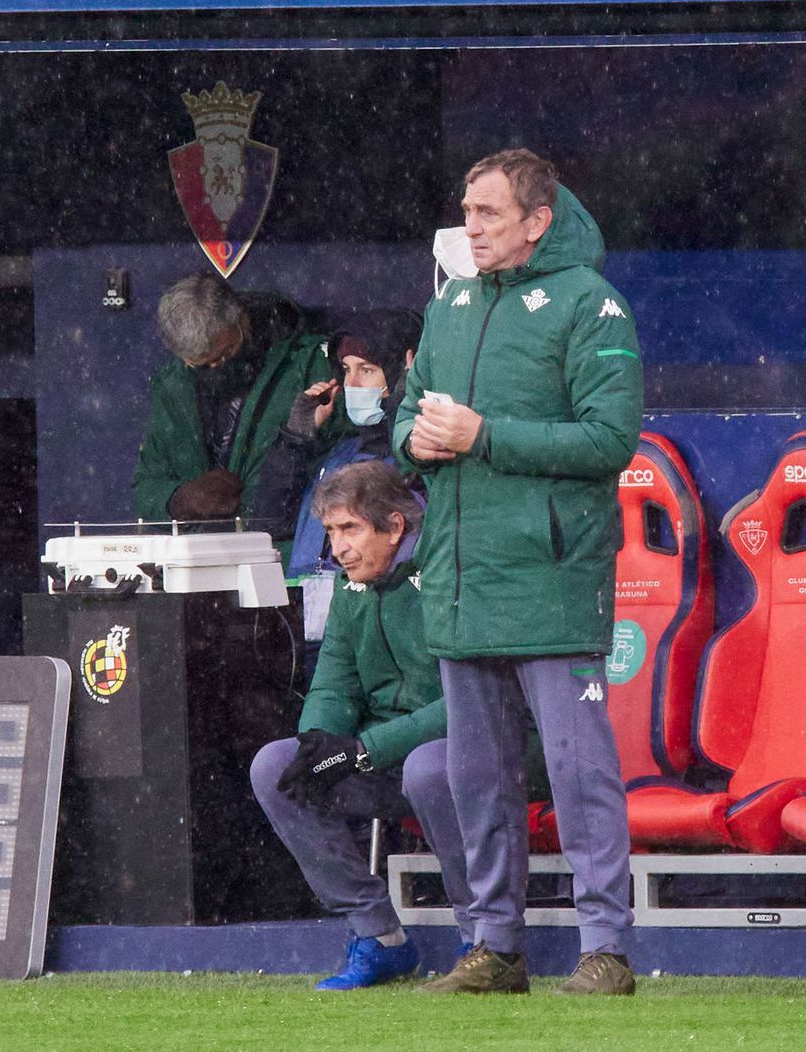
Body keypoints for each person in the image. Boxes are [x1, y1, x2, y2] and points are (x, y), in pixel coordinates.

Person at [392, 149, 643, 995]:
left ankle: (605, 947)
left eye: (490, 215)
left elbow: (610, 441)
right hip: (464, 586)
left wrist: (482, 435)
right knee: (476, 778)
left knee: (579, 774)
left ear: (537, 220)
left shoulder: (592, 305)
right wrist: (412, 439)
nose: (473, 228)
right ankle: (494, 944)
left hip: (553, 580)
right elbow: (409, 407)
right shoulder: (449, 305)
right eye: (467, 212)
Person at [248, 461, 446, 990]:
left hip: (470, 753)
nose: (338, 547)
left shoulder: (448, 574)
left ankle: (486, 940)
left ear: (396, 526)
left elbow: (466, 705)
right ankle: (379, 936)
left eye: (351, 529)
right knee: (276, 766)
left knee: (429, 767)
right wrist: (319, 741)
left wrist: (361, 750)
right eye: (332, 532)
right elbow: (335, 681)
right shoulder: (350, 586)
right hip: (384, 759)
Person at [132, 273, 333, 539]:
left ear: (242, 319)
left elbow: (331, 467)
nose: (216, 368)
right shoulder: (173, 384)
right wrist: (180, 501)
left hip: (279, 552)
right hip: (196, 559)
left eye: (225, 354)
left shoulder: (306, 364)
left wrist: (250, 505)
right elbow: (146, 487)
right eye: (201, 365)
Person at [252, 310, 424, 579]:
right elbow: (270, 523)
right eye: (346, 370)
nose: (351, 383)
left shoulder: (421, 458)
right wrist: (295, 439)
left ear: (397, 375)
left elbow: (415, 489)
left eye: (366, 370)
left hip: (374, 609)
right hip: (310, 608)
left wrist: (403, 407)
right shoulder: (340, 455)